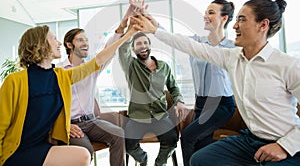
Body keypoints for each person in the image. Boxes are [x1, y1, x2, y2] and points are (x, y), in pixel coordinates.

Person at [131, 0, 300, 165]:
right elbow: (187, 44)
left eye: (242, 19)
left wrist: (285, 146)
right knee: (200, 156)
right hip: (249, 138)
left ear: (263, 25)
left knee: (191, 137)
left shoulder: (287, 65)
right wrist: (154, 29)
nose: (235, 25)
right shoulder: (231, 57)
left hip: (284, 142)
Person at [0, 24, 136, 166]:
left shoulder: (61, 77)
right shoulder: (14, 81)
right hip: (16, 150)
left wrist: (128, 34)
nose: (59, 43)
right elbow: (1, 124)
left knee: (82, 155)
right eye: (54, 39)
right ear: (40, 44)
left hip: (41, 148)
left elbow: (99, 60)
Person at [117, 21, 188, 165]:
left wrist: (179, 101)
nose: (142, 46)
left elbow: (173, 88)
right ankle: (143, 159)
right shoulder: (131, 66)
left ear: (149, 46)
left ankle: (159, 163)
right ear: (133, 48)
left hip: (160, 115)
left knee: (172, 139)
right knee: (127, 144)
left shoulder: (164, 67)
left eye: (145, 43)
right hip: (137, 116)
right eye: (138, 44)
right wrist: (131, 30)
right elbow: (121, 49)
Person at [179, 0, 237, 166]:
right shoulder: (196, 43)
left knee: (188, 137)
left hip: (222, 105)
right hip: (201, 103)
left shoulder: (232, 48)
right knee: (201, 146)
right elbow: (171, 37)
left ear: (224, 18)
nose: (205, 16)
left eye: (211, 12)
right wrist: (149, 21)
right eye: (206, 12)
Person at [56, 28, 125, 166]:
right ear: (69, 45)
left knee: (119, 134)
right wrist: (66, 125)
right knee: (85, 151)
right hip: (72, 125)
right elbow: (52, 105)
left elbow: (108, 50)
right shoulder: (58, 71)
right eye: (80, 40)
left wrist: (122, 28)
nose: (85, 43)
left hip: (92, 121)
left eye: (86, 40)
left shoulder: (91, 68)